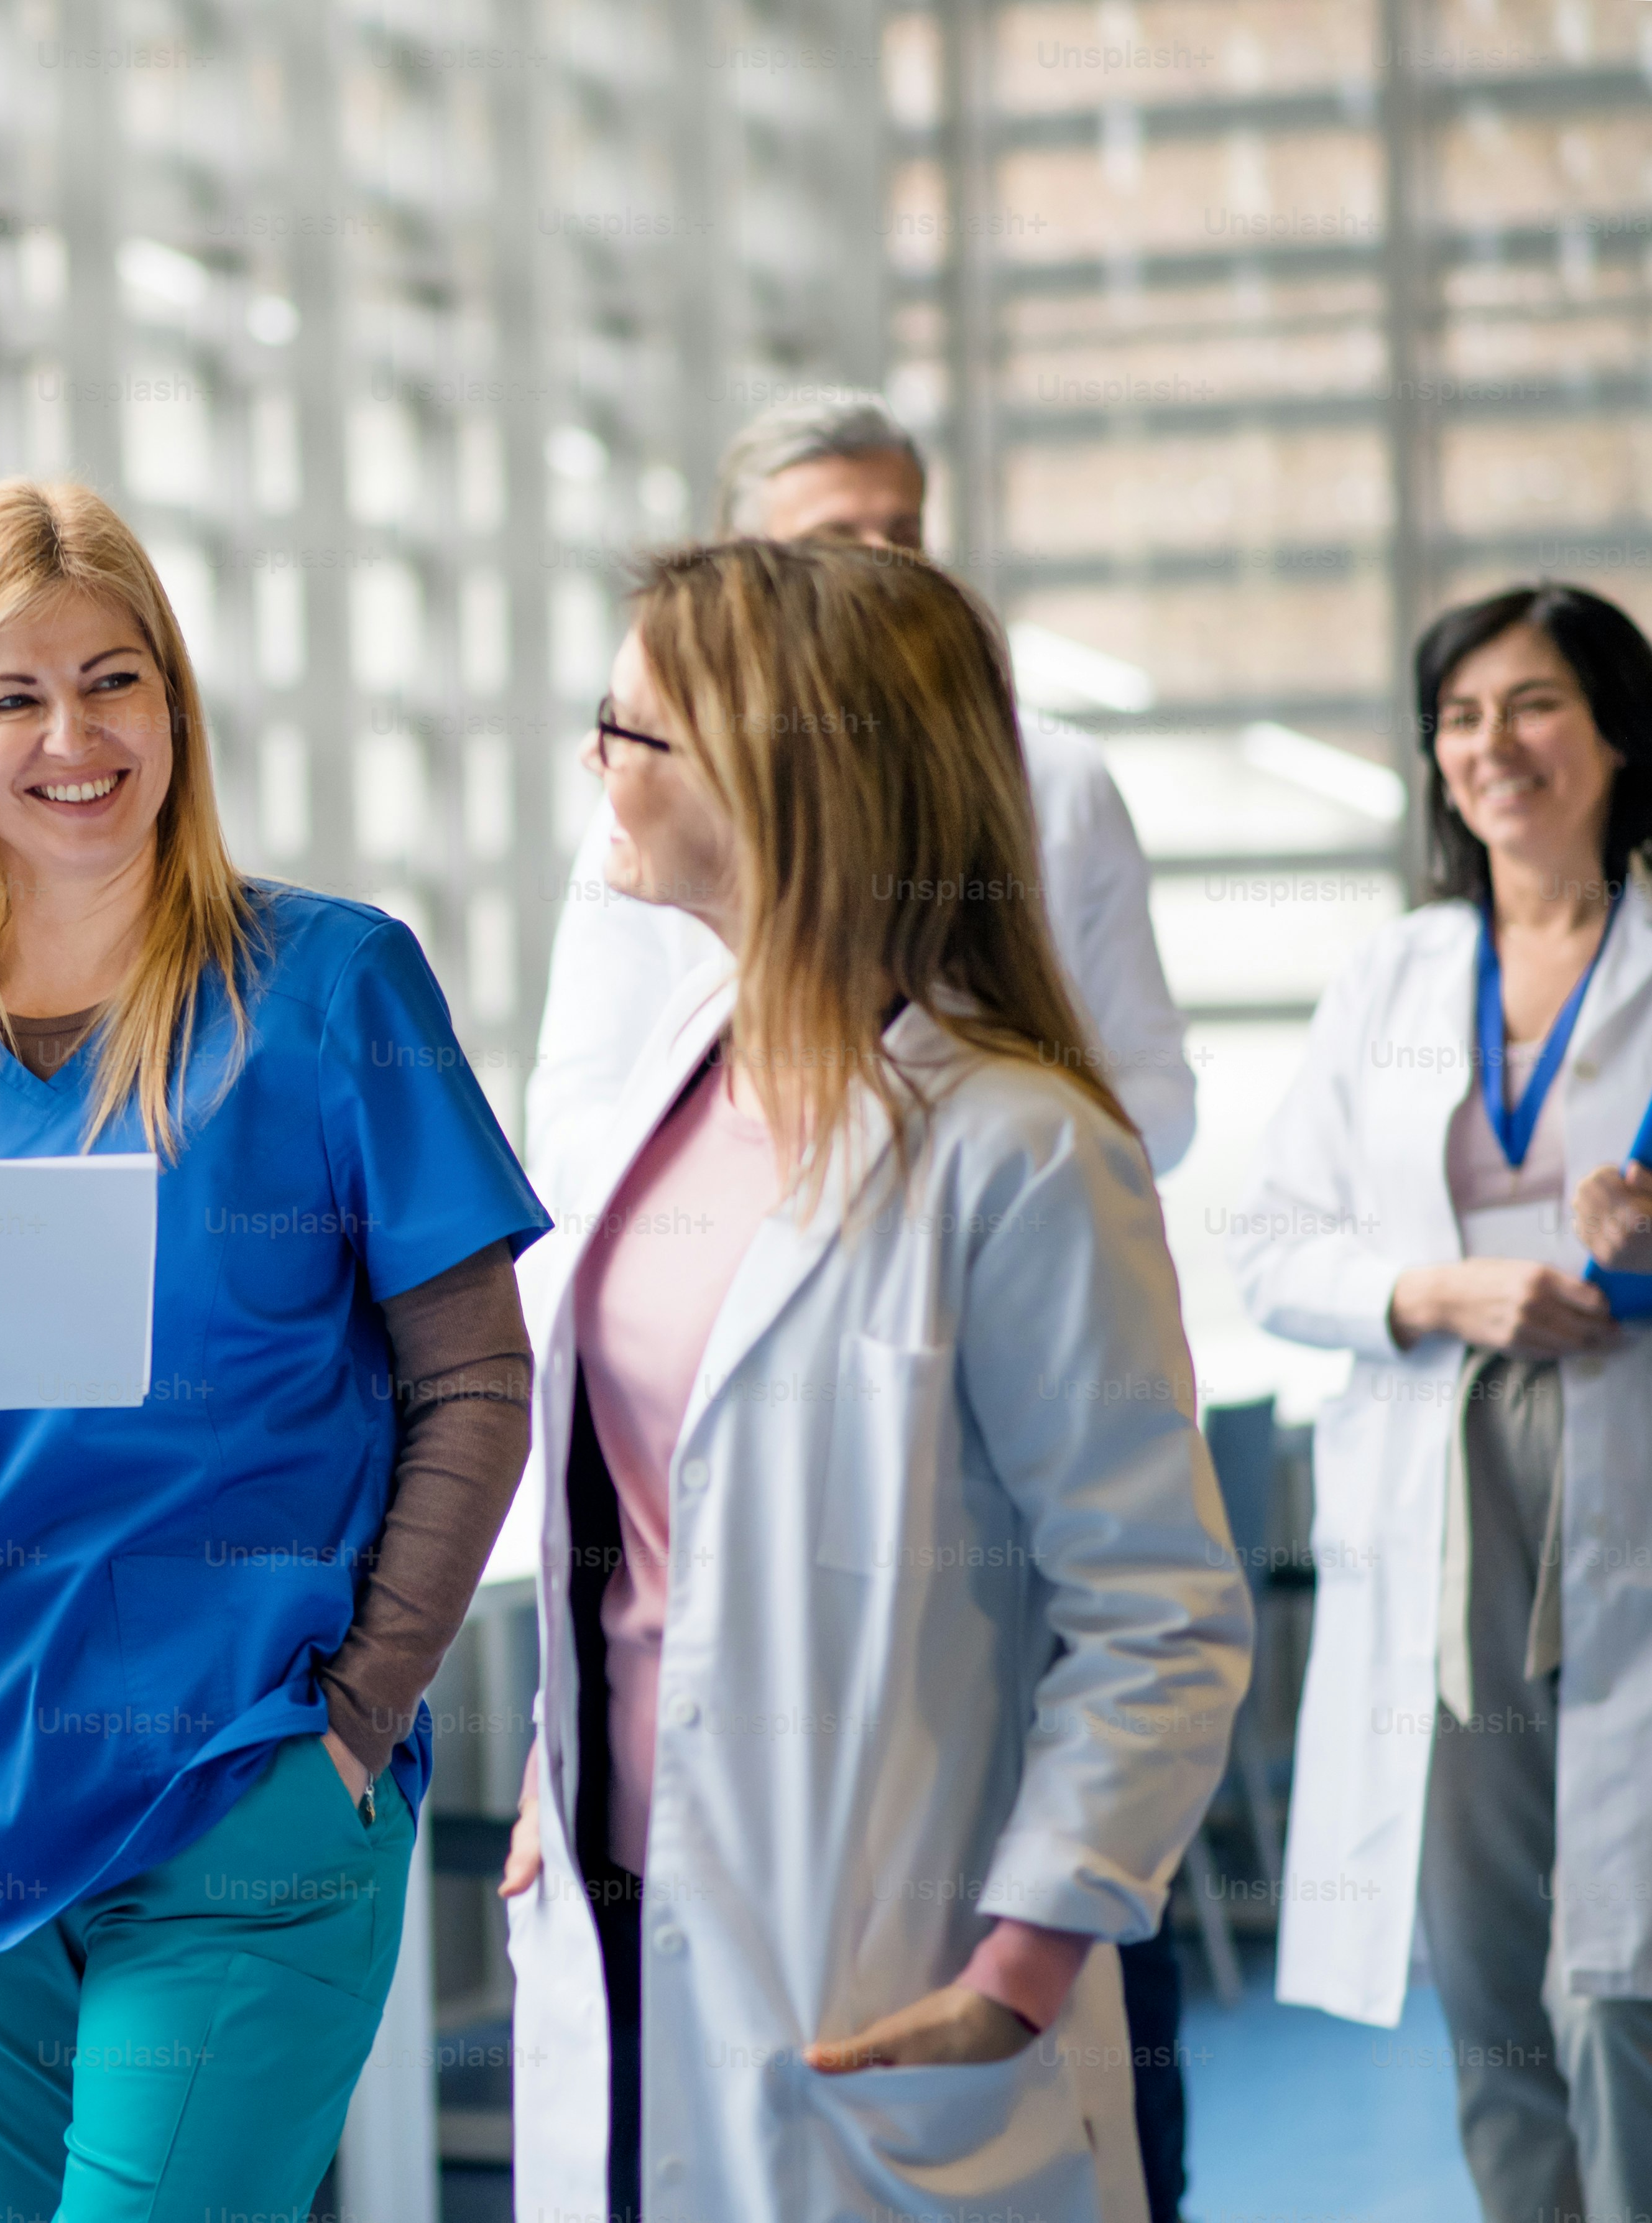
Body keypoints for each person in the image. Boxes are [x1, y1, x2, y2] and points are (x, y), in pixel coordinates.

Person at [0, 477, 548, 2218]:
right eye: (10, 697)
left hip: (246, 1781)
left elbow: (474, 1377)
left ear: (173, 703)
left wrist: (358, 1714)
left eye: (115, 680)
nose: (71, 736)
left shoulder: (329, 990)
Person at [493, 538, 1249, 2223]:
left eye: (634, 734)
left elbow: (1161, 1612)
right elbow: (627, 1507)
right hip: (616, 1918)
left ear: (782, 782)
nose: (597, 768)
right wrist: (557, 1763)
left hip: (881, 1974)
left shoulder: (1021, 1153)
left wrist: (1028, 1963)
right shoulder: (665, 1089)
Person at [1228, 580, 1652, 2223]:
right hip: (1447, 1490)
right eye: (1463, 716)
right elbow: (1272, 1244)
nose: (1495, 746)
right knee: (1491, 1979)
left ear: (1616, 734)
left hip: (1624, 1466)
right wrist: (1433, 1292)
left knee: (1619, 1982)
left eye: (1535, 705)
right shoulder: (1394, 980)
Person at [525, 389, 1194, 1204]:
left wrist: (987, 1165)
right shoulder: (649, 801)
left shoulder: (1058, 779)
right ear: (740, 569)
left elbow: (1154, 1092)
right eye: (833, 540)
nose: (884, 565)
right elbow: (574, 1109)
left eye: (903, 532)